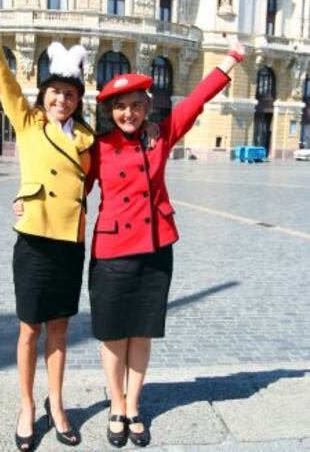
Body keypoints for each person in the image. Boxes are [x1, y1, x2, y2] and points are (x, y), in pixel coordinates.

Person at [86, 43, 245, 447]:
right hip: (111, 253)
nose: (129, 114)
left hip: (156, 250)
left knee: (141, 333)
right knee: (112, 334)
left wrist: (229, 61)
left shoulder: (160, 136)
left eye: (136, 106)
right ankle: (116, 406)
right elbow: (72, 190)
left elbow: (196, 99)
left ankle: (135, 406)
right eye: (120, 107)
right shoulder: (98, 146)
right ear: (110, 110)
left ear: (146, 107)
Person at [0, 0, 95, 450]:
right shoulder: (27, 118)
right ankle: (25, 404)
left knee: (61, 328)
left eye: (71, 94)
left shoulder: (87, 139)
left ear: (79, 99)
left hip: (70, 244)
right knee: (28, 329)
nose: (62, 99)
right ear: (45, 94)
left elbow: (90, 184)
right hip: (34, 242)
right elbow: (0, 70)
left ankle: (56, 404)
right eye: (56, 92)